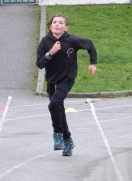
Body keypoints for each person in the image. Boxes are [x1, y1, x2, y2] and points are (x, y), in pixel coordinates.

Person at [36, 14, 97, 156]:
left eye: (60, 23)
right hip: (52, 80)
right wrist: (51, 52)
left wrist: (93, 63)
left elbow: (90, 45)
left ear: (66, 27)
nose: (57, 24)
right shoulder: (45, 42)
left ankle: (57, 134)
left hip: (67, 79)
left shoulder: (72, 41)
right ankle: (67, 139)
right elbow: (39, 64)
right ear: (50, 26)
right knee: (58, 109)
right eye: (54, 22)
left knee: (54, 104)